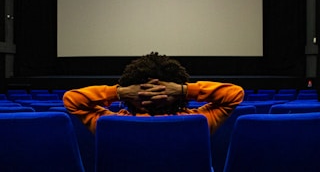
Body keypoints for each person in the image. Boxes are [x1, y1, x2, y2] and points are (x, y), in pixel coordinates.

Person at [63, 52, 244, 134]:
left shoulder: (110, 124)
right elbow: (235, 94)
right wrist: (184, 90)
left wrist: (119, 92)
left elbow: (72, 100)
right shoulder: (199, 121)